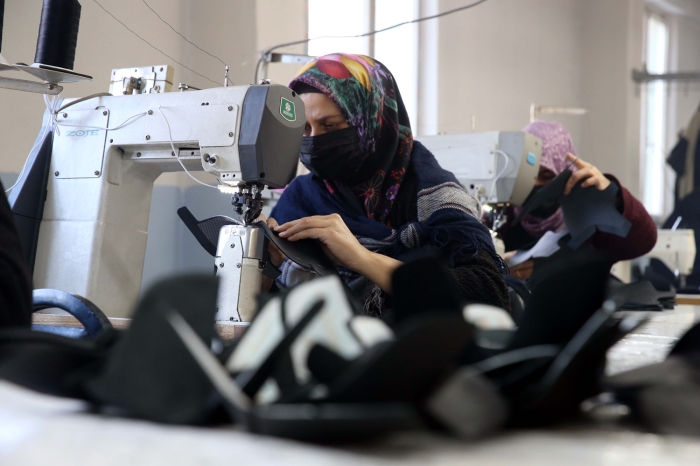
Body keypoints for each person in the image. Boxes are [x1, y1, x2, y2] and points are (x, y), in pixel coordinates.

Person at [263, 53, 510, 315]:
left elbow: (489, 294)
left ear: (373, 120)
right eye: (304, 129)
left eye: (330, 125)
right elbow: (267, 307)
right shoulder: (301, 197)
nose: (314, 141)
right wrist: (266, 266)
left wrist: (361, 258)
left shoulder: (433, 196)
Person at [495, 121, 657, 280]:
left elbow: (644, 241)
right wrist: (497, 268)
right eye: (528, 176)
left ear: (564, 171)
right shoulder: (503, 214)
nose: (535, 184)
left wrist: (612, 199)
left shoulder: (587, 219)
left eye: (546, 175)